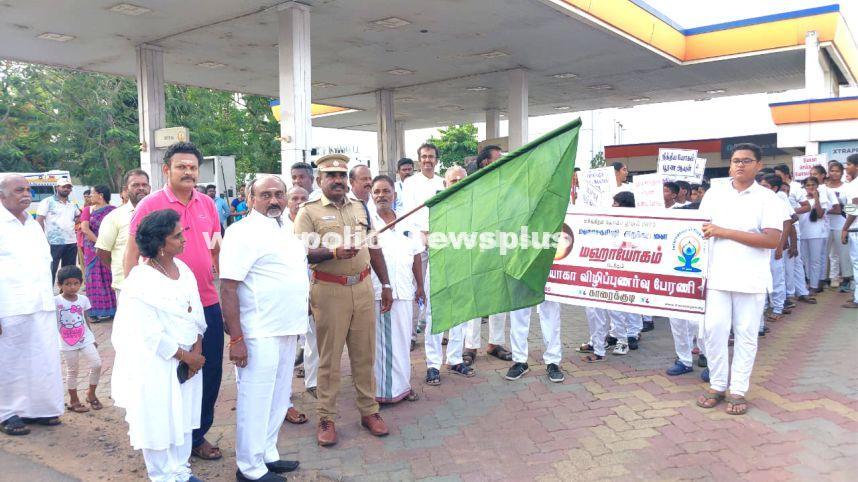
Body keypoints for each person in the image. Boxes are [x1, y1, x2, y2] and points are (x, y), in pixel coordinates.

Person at [124, 142, 225, 461]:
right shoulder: (150, 205)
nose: (188, 172)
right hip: (164, 306)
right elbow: (131, 253)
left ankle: (197, 435)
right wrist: (133, 296)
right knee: (171, 374)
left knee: (208, 372)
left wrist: (216, 271)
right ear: (166, 170)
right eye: (181, 166)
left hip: (205, 301)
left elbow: (215, 244)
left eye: (193, 167)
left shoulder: (207, 203)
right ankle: (167, 441)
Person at [293, 153, 394, 447]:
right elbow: (301, 252)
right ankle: (326, 417)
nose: (337, 180)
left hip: (362, 288)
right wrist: (334, 253)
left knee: (365, 355)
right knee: (329, 359)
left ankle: (369, 411)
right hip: (329, 291)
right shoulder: (308, 212)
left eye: (341, 175)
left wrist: (385, 283)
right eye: (331, 176)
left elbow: (374, 247)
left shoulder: (360, 207)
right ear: (320, 180)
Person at [220, 176, 305, 481]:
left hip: (286, 327)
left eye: (279, 195)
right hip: (258, 331)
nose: (274, 200)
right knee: (255, 401)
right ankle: (249, 468)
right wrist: (237, 338)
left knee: (279, 397)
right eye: (265, 195)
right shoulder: (241, 233)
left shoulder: (286, 228)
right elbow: (228, 288)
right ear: (251, 198)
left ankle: (267, 454)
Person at [113, 209, 207, 482]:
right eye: (177, 236)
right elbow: (148, 332)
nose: (183, 240)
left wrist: (197, 349)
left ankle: (181, 471)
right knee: (159, 418)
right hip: (158, 362)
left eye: (183, 233)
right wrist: (185, 356)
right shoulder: (140, 281)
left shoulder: (184, 269)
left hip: (188, 357)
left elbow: (196, 312)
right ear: (159, 243)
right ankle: (163, 476)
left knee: (182, 416)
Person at [696, 143, 783, 416]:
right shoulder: (714, 194)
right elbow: (699, 230)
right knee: (713, 331)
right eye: (735, 161)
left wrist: (725, 231)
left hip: (750, 279)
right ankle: (717, 385)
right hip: (717, 276)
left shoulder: (768, 199)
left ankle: (738, 390)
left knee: (746, 335)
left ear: (758, 165)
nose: (740, 165)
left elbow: (771, 239)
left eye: (746, 161)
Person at [0, 174, 64, 436]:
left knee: (42, 358)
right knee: (9, 362)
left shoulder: (33, 225)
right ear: (2, 196)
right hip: (9, 305)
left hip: (40, 303)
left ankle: (38, 409)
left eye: (28, 189)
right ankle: (7, 413)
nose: (26, 194)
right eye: (19, 190)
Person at [369, 175, 424, 402]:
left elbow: (417, 255)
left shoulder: (407, 222)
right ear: (372, 196)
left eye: (386, 191)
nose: (382, 196)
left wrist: (420, 286)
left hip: (405, 290)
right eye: (377, 192)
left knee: (403, 341)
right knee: (384, 344)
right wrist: (385, 285)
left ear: (394, 195)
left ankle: (403, 385)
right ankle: (384, 392)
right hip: (382, 292)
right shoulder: (369, 222)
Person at [421, 166, 475, 385]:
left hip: (463, 267)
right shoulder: (433, 207)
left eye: (462, 179)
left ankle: (454, 359)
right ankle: (433, 365)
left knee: (460, 315)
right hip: (439, 267)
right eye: (454, 180)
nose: (459, 182)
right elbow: (425, 238)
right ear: (445, 184)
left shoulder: (473, 207)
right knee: (434, 317)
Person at [579, 191, 636, 363]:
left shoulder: (635, 225)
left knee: (615, 309)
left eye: (616, 204)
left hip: (619, 272)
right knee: (594, 309)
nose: (613, 206)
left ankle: (622, 340)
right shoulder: (607, 220)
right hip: (601, 270)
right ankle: (598, 341)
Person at [54, 265, 103, 413]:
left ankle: (91, 393)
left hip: (85, 337)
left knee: (96, 364)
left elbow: (85, 319)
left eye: (76, 283)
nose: (72, 287)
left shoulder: (83, 299)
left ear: (81, 283)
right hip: (66, 341)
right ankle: (74, 400)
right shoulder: (55, 301)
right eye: (68, 284)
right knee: (72, 370)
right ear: (59, 285)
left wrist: (92, 336)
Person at [97, 170, 151, 296]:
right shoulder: (114, 217)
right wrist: (122, 268)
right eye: (135, 185)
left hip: (155, 285)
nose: (141, 188)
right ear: (126, 189)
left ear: (149, 187)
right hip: (126, 285)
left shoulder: (159, 213)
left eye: (144, 185)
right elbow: (102, 251)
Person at [80, 185, 117, 320]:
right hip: (92, 250)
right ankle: (95, 311)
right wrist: (99, 244)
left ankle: (113, 309)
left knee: (109, 278)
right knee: (94, 279)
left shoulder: (113, 211)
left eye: (92, 193)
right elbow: (85, 229)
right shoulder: (88, 210)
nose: (90, 196)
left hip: (108, 248)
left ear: (100, 195)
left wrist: (105, 246)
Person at [37, 177, 80, 283]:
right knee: (50, 270)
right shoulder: (47, 202)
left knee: (69, 272)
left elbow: (78, 217)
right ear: (57, 188)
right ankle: (49, 295)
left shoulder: (72, 204)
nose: (66, 189)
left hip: (71, 242)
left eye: (69, 187)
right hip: (53, 243)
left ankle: (65, 295)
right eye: (64, 187)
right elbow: (39, 220)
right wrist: (42, 239)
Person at [798, 176, 829, 294]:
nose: (810, 187)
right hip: (804, 232)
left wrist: (816, 198)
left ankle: (814, 285)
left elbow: (820, 214)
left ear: (817, 186)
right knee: (805, 260)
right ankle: (810, 282)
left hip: (817, 234)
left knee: (815, 260)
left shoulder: (823, 199)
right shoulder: (801, 199)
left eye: (813, 185)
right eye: (808, 185)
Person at [826, 161, 853, 291]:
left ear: (842, 172)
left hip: (841, 223)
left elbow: (852, 206)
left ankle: (847, 278)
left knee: (843, 252)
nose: (834, 173)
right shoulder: (823, 187)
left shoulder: (847, 187)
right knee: (829, 253)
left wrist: (842, 210)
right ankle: (832, 277)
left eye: (837, 171)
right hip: (825, 224)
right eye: (832, 170)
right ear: (828, 172)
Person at [840, 154, 858, 308]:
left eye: (849, 164)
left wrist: (844, 228)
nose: (846, 167)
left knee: (857, 264)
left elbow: (855, 207)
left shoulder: (854, 185)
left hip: (856, 228)